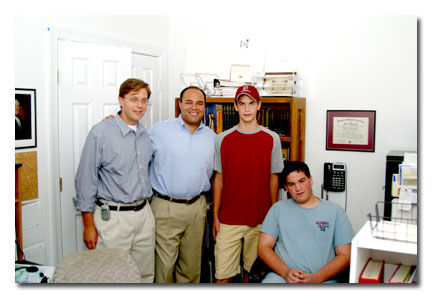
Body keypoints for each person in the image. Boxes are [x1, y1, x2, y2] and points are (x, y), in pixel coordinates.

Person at [72, 78, 155, 283]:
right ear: (120, 100)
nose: (139, 105)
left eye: (144, 100)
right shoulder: (100, 133)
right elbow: (85, 180)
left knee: (144, 275)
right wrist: (88, 225)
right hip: (113, 220)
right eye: (134, 99)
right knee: (110, 278)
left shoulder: (145, 135)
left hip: (144, 215)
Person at [212, 85, 284, 283]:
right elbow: (219, 178)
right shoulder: (223, 139)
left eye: (251, 103)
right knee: (222, 275)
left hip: (260, 217)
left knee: (252, 276)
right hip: (229, 219)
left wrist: (273, 215)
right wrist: (215, 215)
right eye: (242, 104)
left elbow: (273, 178)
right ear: (235, 106)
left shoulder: (272, 139)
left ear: (259, 105)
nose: (247, 109)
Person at [149, 86, 216, 283]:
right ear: (180, 104)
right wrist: (114, 122)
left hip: (197, 208)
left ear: (204, 107)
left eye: (199, 103)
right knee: (164, 267)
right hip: (165, 207)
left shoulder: (212, 138)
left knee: (191, 269)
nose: (194, 107)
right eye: (189, 102)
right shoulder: (159, 131)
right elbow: (134, 149)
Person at [258, 161, 354, 283]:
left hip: (322, 280)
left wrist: (317, 278)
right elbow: (263, 247)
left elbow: (345, 255)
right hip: (281, 278)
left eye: (302, 181)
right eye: (292, 184)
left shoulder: (335, 212)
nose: (298, 188)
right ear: (286, 188)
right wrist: (286, 273)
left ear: (311, 180)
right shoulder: (277, 209)